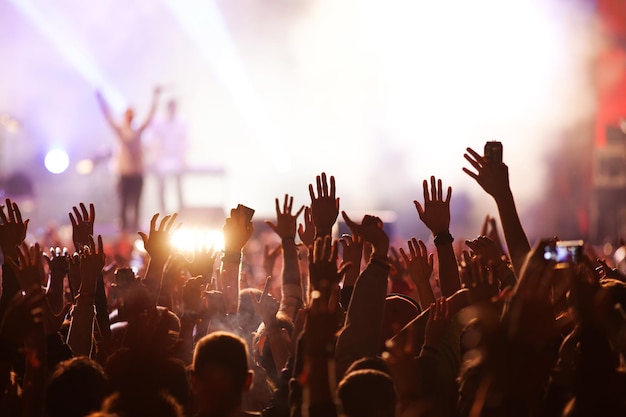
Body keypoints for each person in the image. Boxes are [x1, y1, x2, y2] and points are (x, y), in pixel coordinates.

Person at [96, 87, 161, 232]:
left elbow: (150, 117)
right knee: (124, 204)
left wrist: (155, 98)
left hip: (137, 174)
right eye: (128, 114)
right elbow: (108, 117)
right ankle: (124, 231)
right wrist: (101, 100)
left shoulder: (138, 131)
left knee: (137, 204)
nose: (130, 117)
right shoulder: (121, 131)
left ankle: (135, 230)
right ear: (125, 116)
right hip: (125, 174)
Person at [148, 98, 188, 214]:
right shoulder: (159, 122)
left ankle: (182, 211)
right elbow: (154, 140)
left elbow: (184, 142)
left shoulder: (182, 121)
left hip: (176, 159)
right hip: (162, 160)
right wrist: (156, 157)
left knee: (178, 186)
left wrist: (183, 158)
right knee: (161, 187)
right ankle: (162, 212)